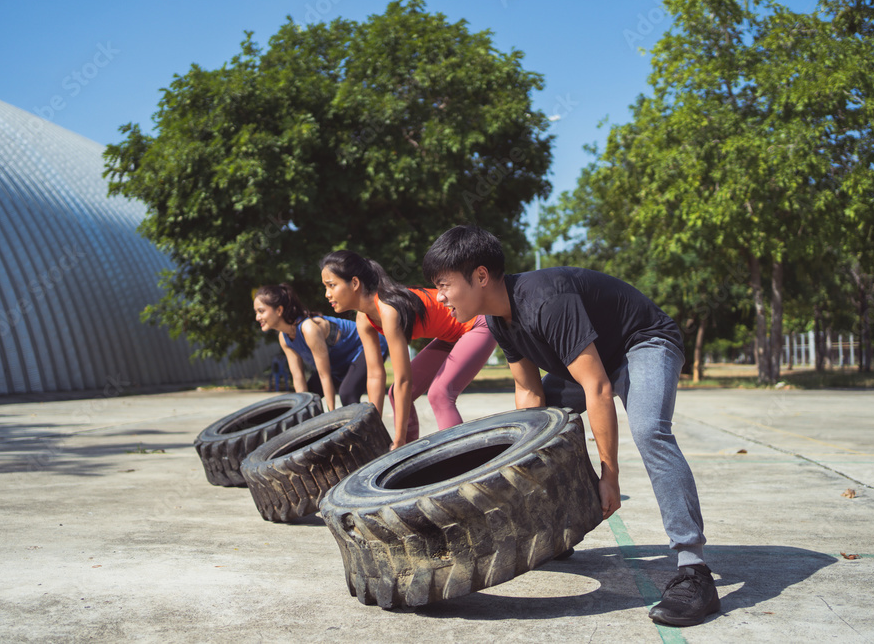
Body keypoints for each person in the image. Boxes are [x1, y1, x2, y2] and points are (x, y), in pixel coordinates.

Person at [421, 225, 720, 628]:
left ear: (480, 276)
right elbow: (529, 395)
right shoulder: (497, 320)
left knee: (650, 431)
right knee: (540, 423)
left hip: (643, 342)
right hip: (597, 360)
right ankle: (556, 529)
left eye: (443, 285)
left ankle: (694, 570)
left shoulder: (545, 301)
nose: (439, 297)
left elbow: (596, 386)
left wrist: (609, 475)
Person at [320, 250, 497, 450]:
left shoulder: (388, 309)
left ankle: (461, 461)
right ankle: (409, 453)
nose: (327, 294)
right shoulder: (363, 318)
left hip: (476, 324)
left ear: (354, 283)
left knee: (439, 394)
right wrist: (373, 429)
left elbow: (404, 378)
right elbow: (375, 375)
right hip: (450, 337)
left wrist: (398, 437)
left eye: (331, 285)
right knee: (396, 393)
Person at [253, 283, 384, 411]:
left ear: (279, 310)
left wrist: (331, 413)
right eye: (256, 312)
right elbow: (298, 378)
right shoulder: (284, 338)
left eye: (261, 311)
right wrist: (302, 413)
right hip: (339, 363)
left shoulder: (309, 328)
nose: (257, 317)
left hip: (365, 344)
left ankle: (367, 432)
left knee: (347, 394)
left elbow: (324, 375)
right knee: (308, 397)